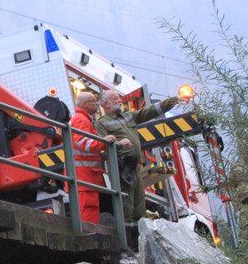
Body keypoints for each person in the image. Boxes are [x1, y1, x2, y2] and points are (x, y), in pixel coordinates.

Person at [96, 90, 182, 225]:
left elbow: (150, 111)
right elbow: (102, 145)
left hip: (135, 167)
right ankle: (127, 233)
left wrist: (175, 99)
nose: (119, 101)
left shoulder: (128, 116)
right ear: (106, 104)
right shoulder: (101, 123)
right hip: (121, 168)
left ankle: (139, 233)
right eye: (115, 99)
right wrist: (119, 144)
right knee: (126, 206)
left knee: (139, 207)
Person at [68, 92, 117, 225]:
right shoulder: (81, 120)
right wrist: (104, 142)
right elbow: (83, 143)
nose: (96, 103)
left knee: (90, 214)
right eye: (93, 101)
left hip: (86, 177)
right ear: (85, 104)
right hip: (84, 178)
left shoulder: (83, 119)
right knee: (88, 217)